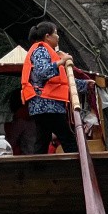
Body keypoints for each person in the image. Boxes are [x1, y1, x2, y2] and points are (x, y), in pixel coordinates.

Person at [20, 22, 89, 153]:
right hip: (47, 104)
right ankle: (76, 168)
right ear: (47, 36)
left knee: (42, 140)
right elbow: (42, 71)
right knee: (68, 138)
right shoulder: (41, 50)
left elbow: (63, 80)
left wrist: (86, 84)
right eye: (56, 33)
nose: (58, 37)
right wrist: (62, 61)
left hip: (45, 104)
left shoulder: (49, 53)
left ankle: (38, 169)